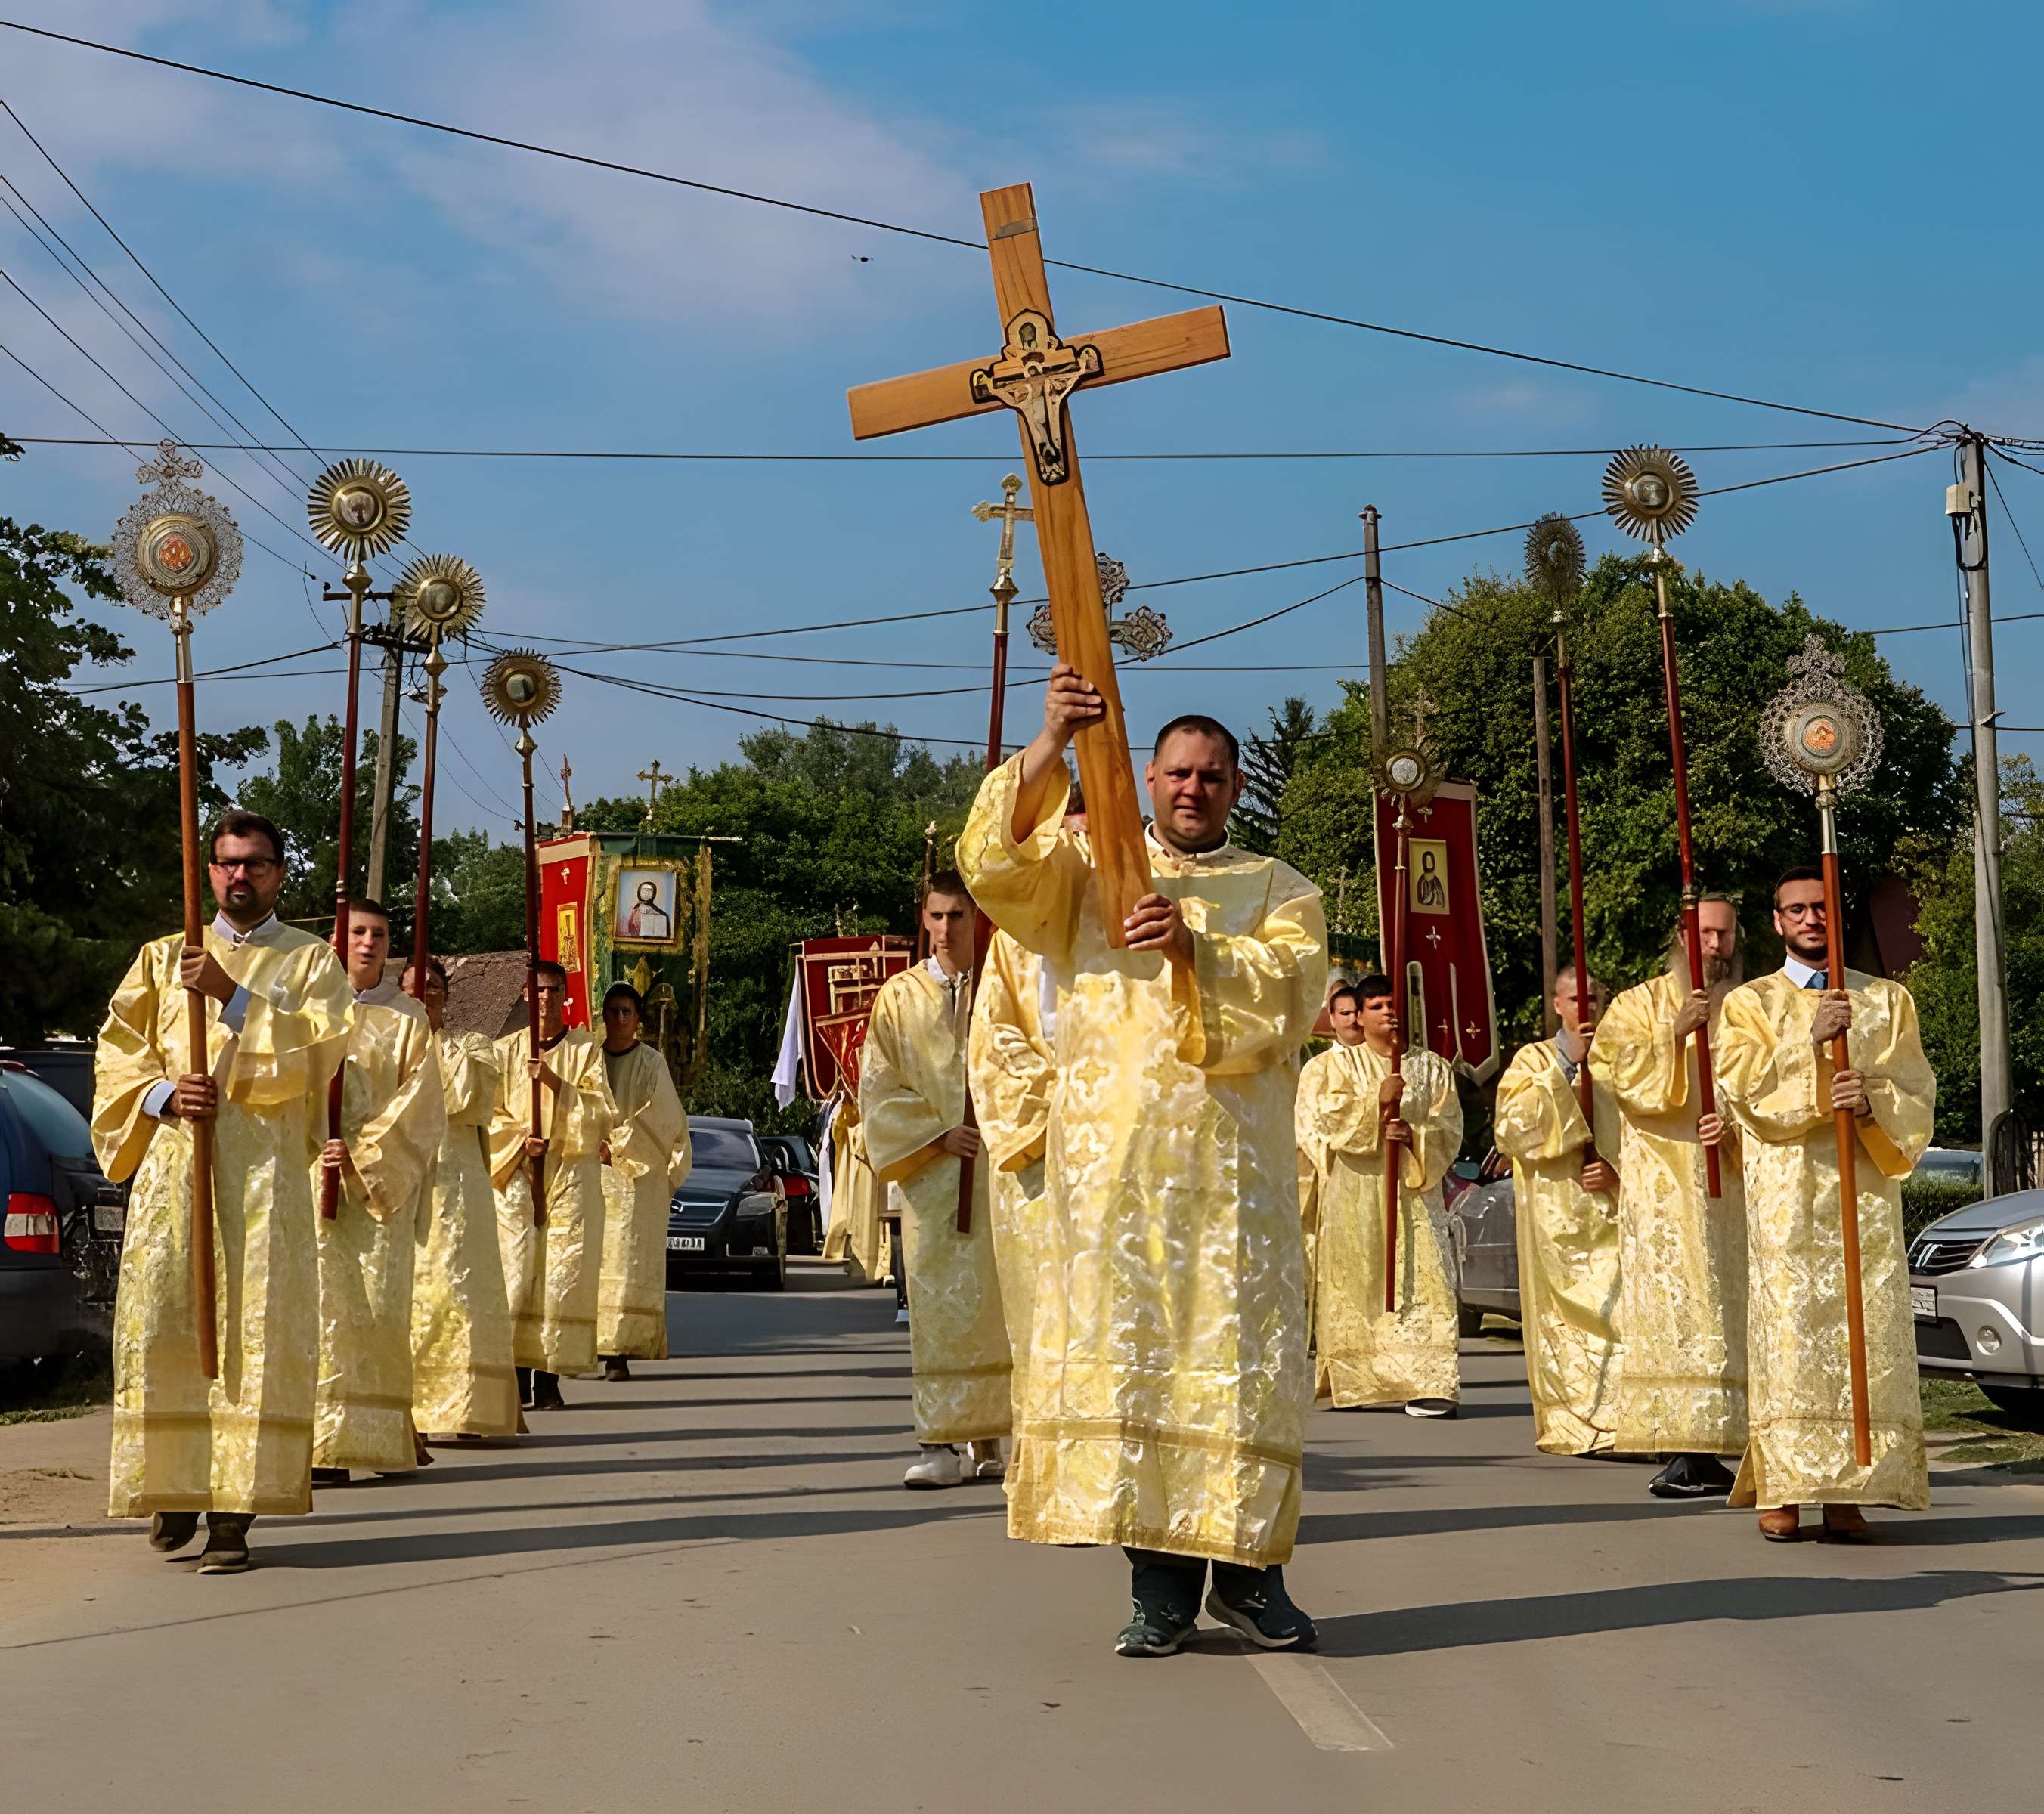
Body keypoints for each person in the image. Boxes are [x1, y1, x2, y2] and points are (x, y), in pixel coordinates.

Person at [959, 669, 1325, 1657]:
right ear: (1149, 778)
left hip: (1233, 1185)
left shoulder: (1280, 888)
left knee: (1239, 1376)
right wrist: (1049, 739)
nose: (1192, 788)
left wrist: (1194, 948)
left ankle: (1249, 1582)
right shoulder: (1087, 866)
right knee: (1139, 1380)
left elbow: (1294, 994)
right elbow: (994, 865)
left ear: (1235, 787)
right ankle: (1159, 1594)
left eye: (1211, 775)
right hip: (1116, 1180)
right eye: (1177, 773)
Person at [92, 809, 352, 1573]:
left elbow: (321, 1051)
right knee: (168, 1323)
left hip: (264, 1180)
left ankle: (235, 1513)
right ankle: (174, 1485)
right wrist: (164, 1096)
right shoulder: (159, 958)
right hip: (177, 1175)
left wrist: (231, 994)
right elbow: (118, 1054)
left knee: (252, 1337)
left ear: (279, 875)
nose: (241, 875)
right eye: (228, 862)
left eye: (256, 863)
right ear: (208, 871)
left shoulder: (311, 961)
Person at [1717, 868, 1936, 1540]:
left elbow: (1915, 1087)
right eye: (1797, 910)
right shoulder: (1749, 1004)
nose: (1811, 918)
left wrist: (1869, 1103)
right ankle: (1784, 1486)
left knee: (1861, 1339)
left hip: (1863, 1201)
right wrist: (1807, 1043)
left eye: (1821, 907)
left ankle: (1851, 1489)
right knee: (1791, 1337)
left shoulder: (1887, 1001)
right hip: (1786, 1201)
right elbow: (1742, 1088)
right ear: (1778, 921)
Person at [1589, 896, 1749, 1499]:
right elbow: (1610, 1076)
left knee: (1732, 1310)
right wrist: (1673, 1035)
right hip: (1662, 1194)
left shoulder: (1750, 1006)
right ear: (1682, 937)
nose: (1715, 946)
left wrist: (1732, 1127)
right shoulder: (1637, 1005)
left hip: (1733, 1186)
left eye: (1724, 934)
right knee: (1677, 1311)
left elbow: (1766, 1083)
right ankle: (1683, 1444)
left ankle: (1733, 1440)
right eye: (1704, 933)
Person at [861, 870, 1013, 1487]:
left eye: (957, 915)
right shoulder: (899, 997)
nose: (946, 929)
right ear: (923, 919)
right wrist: (938, 1135)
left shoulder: (1004, 988)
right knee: (937, 1310)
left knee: (1002, 1308)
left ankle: (995, 1438)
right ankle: (941, 1442)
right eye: (936, 916)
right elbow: (879, 1085)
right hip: (931, 1181)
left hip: (1000, 1177)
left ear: (978, 918)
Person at [312, 899, 445, 1485]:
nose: (368, 943)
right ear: (336, 940)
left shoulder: (409, 1017)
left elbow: (421, 1105)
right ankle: (320, 1443)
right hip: (313, 1177)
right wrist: (314, 1144)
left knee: (378, 1311)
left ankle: (377, 1437)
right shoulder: (306, 1006)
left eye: (380, 934)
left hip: (378, 1192)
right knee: (321, 1311)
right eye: (358, 932)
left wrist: (360, 1157)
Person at [966, 782, 1085, 1424]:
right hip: (1039, 1142)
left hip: (1123, 1145)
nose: (1080, 854)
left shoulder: (1134, 924)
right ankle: (1045, 1446)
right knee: (1043, 1304)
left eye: (1092, 840)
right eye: (1069, 840)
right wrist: (1065, 1097)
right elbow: (995, 1037)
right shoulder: (1012, 941)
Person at [1296, 974, 1464, 1418]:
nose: (1389, 1012)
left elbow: (1449, 1126)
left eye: (1394, 1004)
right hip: (1356, 1192)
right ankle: (1360, 1380)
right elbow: (1325, 1124)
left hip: (1415, 1192)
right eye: (1377, 1006)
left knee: (1424, 1281)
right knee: (1360, 1282)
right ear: (1361, 1015)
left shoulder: (1433, 1068)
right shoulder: (1330, 1068)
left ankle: (1427, 1381)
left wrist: (1413, 1134)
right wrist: (1376, 1102)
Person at [1494, 967, 1624, 1456]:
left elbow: (1648, 1129)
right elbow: (1511, 1129)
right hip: (1557, 1214)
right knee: (1566, 1324)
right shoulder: (1533, 1060)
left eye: (1593, 998)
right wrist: (1568, 1069)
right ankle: (1578, 1421)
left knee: (1621, 1312)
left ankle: (1625, 1419)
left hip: (1614, 1209)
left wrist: (1617, 1171)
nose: (1584, 1008)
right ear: (1556, 1004)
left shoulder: (1626, 1056)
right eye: (1574, 999)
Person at [488, 961, 617, 1412]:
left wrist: (554, 1082)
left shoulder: (586, 1049)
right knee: (517, 1272)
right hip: (518, 1171)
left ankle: (549, 1376)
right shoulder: (505, 1051)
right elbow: (491, 1113)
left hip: (570, 1176)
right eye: (538, 991)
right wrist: (521, 1140)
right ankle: (515, 1372)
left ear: (565, 995)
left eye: (554, 990)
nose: (545, 999)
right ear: (527, 995)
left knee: (562, 1274)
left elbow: (601, 1112)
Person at [405, 956, 520, 1444]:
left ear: (447, 996)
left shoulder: (472, 1047)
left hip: (457, 1183)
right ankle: (408, 1409)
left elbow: (463, 1097)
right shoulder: (378, 1040)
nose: (424, 993)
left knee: (461, 1288)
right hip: (402, 1177)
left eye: (433, 985)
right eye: (414, 986)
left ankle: (469, 1405)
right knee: (411, 1293)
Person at [595, 983, 692, 1379]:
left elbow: (665, 1118)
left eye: (627, 1012)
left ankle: (619, 1349)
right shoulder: (589, 1059)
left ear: (638, 1020)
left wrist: (617, 1146)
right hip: (591, 1171)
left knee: (625, 1260)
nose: (619, 1018)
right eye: (613, 1011)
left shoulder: (652, 1063)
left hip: (635, 1178)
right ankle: (585, 1343)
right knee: (590, 1260)